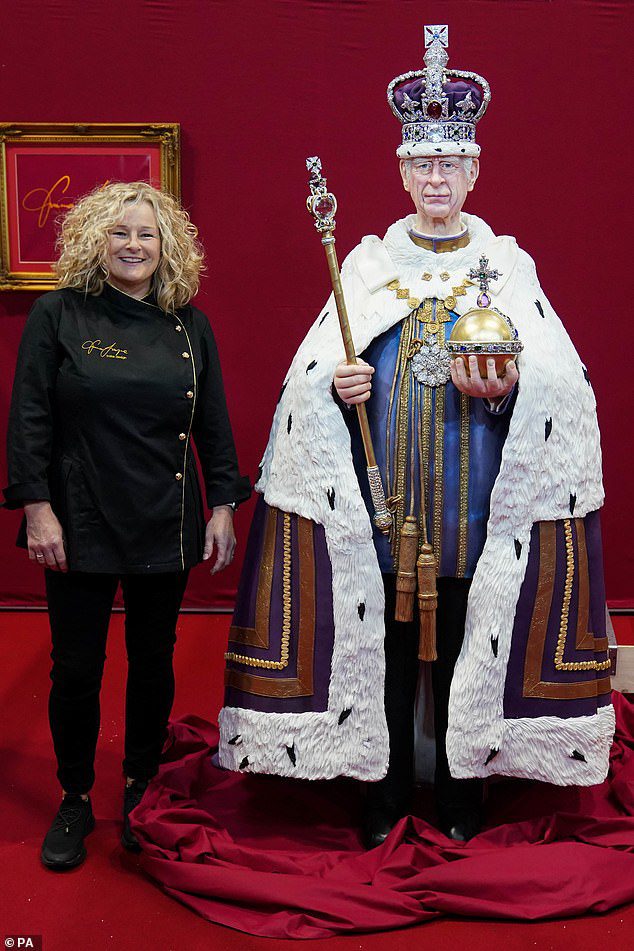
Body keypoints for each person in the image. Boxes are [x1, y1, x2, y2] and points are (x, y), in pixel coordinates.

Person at [216, 25, 612, 848]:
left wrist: (510, 390)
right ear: (402, 172)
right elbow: (314, 380)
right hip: (386, 500)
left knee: (473, 643)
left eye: (451, 164)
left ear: (474, 171)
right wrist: (339, 384)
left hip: (475, 504)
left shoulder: (510, 268)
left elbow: (560, 391)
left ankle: (464, 785)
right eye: (422, 164)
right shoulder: (363, 267)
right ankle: (386, 782)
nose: (436, 177)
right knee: (391, 651)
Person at [3, 181, 250, 869]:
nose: (133, 245)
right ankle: (75, 795)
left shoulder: (189, 324)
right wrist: (36, 505)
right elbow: (29, 419)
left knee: (153, 661)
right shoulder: (58, 314)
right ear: (95, 241)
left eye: (146, 234)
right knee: (75, 668)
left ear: (165, 246)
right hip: (76, 516)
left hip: (162, 519)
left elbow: (213, 424)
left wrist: (224, 504)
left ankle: (141, 786)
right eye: (120, 233)